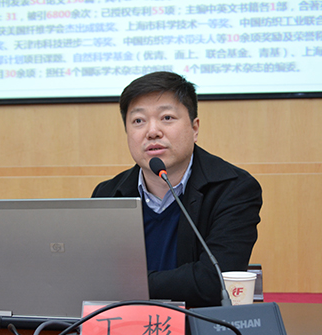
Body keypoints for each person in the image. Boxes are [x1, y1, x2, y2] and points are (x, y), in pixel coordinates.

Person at [92, 71, 262, 307]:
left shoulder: (233, 189)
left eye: (167, 117)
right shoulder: (107, 195)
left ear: (194, 128)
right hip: (123, 325)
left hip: (199, 324)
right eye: (138, 121)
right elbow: (95, 279)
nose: (152, 131)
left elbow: (214, 281)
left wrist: (129, 286)